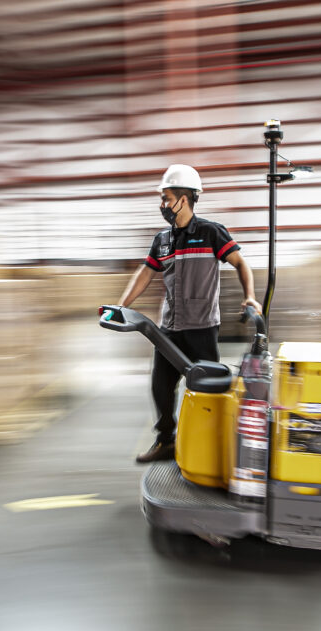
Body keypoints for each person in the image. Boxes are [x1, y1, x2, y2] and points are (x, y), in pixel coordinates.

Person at [115, 164, 261, 463]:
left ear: (184, 199)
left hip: (202, 328)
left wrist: (250, 296)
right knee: (161, 387)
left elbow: (240, 263)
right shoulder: (162, 240)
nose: (162, 205)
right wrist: (122, 305)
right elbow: (146, 273)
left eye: (166, 198)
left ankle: (209, 449)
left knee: (207, 391)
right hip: (168, 328)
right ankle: (165, 441)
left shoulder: (211, 232)